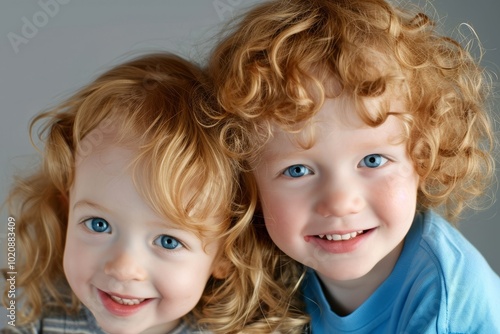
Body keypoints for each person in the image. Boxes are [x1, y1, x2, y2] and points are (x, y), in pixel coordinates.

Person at [207, 0, 500, 332]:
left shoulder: (442, 298)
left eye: (372, 160)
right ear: (248, 184)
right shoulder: (274, 269)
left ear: (422, 157)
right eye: (298, 170)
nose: (340, 202)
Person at [1, 53, 308, 333]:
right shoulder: (40, 321)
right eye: (98, 224)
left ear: (226, 256)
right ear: (67, 212)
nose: (123, 267)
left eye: (168, 241)